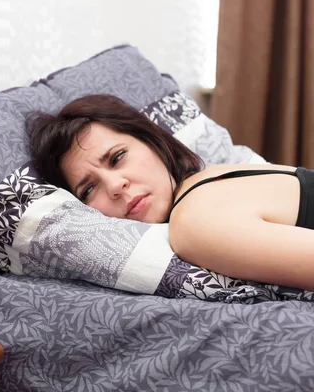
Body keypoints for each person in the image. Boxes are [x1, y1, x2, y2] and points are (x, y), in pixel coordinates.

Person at [27, 94, 314, 292]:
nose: (115, 186)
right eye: (88, 189)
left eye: (117, 158)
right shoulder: (213, 179)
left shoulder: (194, 219)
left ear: (153, 143)